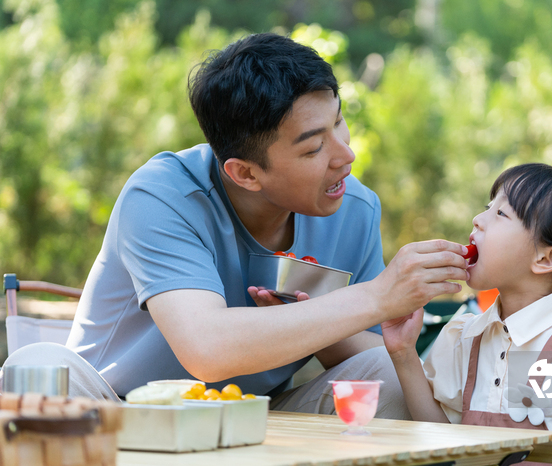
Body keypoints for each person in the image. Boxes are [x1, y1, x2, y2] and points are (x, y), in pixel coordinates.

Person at [1, 33, 469, 416]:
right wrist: (374, 296)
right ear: (244, 172)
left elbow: (365, 348)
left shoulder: (355, 208)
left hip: (254, 417)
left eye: (340, 124)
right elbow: (206, 349)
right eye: (313, 149)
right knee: (34, 365)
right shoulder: (163, 195)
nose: (346, 156)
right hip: (116, 414)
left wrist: (313, 315)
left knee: (387, 378)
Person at [381, 164, 552, 465]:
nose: (477, 220)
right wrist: (403, 353)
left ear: (547, 257)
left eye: (501, 214)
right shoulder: (466, 337)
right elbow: (445, 445)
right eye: (488, 207)